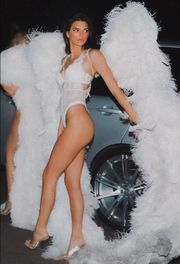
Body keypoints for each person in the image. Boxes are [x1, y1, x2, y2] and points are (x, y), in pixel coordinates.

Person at [24, 13, 138, 259]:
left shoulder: (92, 56)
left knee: (49, 174)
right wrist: (59, 130)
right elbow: (61, 100)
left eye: (85, 30)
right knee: (71, 182)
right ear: (68, 33)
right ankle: (77, 238)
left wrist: (135, 116)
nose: (82, 34)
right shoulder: (64, 60)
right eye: (76, 30)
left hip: (80, 121)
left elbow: (115, 89)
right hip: (68, 123)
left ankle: (40, 230)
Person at [0, 31, 28, 216]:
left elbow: (9, 90)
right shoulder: (37, 62)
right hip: (41, 113)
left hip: (25, 111)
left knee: (11, 155)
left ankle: (13, 202)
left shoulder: (10, 61)